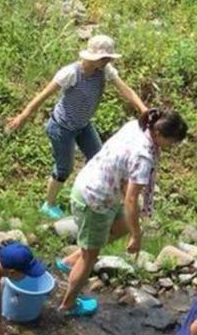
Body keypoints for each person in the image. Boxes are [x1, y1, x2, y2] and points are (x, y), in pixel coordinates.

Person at [55, 108, 188, 317]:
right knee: (91, 256)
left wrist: (133, 227)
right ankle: (67, 305)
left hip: (99, 185)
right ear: (159, 135)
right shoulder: (143, 156)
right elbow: (132, 199)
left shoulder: (138, 126)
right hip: (95, 200)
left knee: (123, 225)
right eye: (172, 142)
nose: (173, 146)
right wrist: (137, 235)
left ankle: (69, 261)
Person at [5, 35, 148, 220]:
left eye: (110, 58)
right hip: (61, 127)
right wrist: (24, 115)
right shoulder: (70, 73)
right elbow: (44, 95)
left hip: (83, 125)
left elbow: (125, 90)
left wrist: (143, 109)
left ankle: (92, 198)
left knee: (100, 158)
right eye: (105, 58)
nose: (109, 61)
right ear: (94, 57)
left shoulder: (105, 71)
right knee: (65, 168)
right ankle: (48, 204)